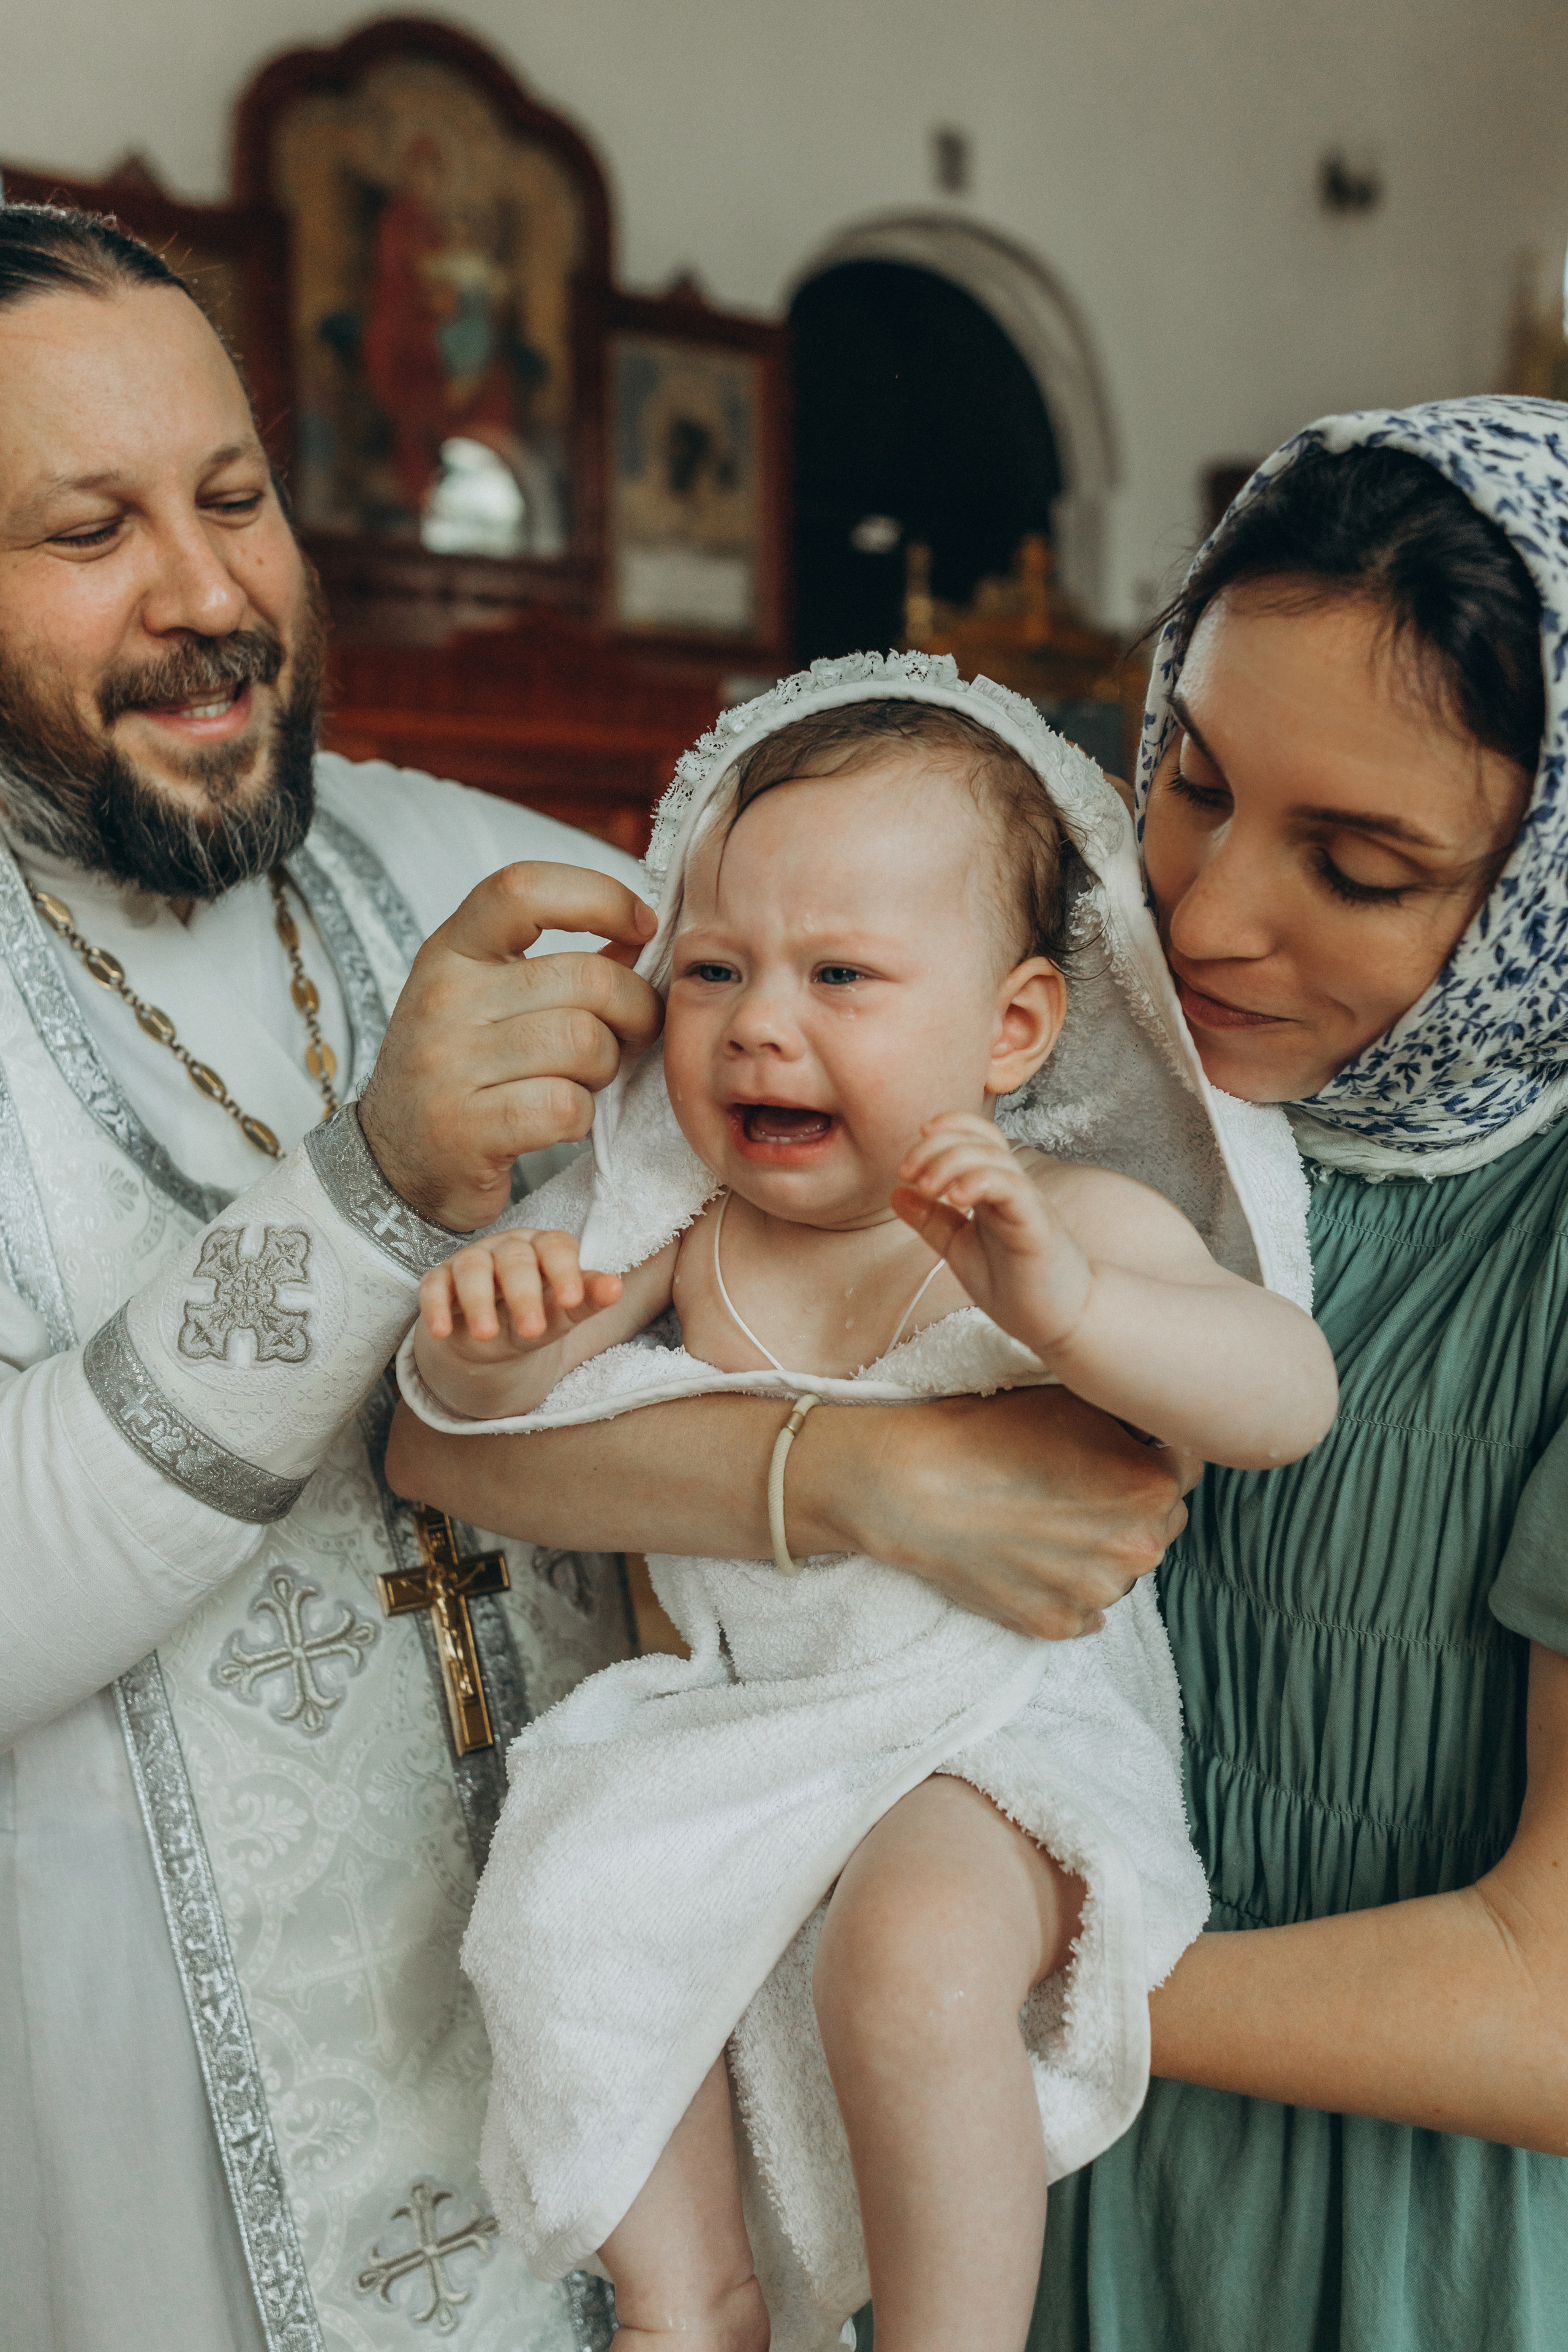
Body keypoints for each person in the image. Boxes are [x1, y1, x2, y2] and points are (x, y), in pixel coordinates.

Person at [391, 401, 1568, 2352]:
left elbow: (1552, 2011)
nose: (1197, 914)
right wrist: (852, 1484)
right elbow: (471, 1451)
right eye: (1184, 781)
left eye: (1357, 864)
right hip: (1019, 2191)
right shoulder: (1078, 1104)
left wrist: (910, 1964)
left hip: (1366, 2237)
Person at [401, 681, 1335, 2352]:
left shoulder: (1066, 1216)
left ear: (1014, 1027)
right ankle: (691, 2301)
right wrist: (495, 1333)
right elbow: (474, 1424)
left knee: (904, 1957)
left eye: (840, 976)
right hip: (745, 1721)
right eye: (712, 972)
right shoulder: (685, 1238)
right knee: (562, 1901)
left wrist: (1072, 1314)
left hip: (994, 1735)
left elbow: (1283, 1396)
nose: (761, 1025)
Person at [0, 200, 673, 2352]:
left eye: (233, 497)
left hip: (629, 2104)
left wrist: (853, 1488)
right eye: (86, 530)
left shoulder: (499, 874)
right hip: (159, 2139)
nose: (212, 598)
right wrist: (374, 1184)